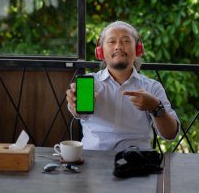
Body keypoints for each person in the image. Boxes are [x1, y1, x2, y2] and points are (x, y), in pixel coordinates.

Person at [66, 21, 179, 151]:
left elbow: (170, 134)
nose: (118, 46)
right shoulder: (88, 83)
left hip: (137, 162)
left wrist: (156, 107)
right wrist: (76, 105)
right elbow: (79, 112)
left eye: (126, 41)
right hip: (94, 161)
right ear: (100, 51)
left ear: (138, 49)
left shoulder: (152, 87)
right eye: (112, 41)